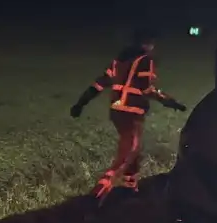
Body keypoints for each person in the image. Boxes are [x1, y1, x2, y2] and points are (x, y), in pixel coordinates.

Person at [69, 27, 188, 200]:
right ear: (147, 44)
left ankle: (129, 188)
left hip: (116, 112)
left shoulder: (119, 61)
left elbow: (99, 84)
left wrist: (81, 103)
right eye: (152, 43)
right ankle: (96, 196)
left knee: (133, 149)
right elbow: (146, 89)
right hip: (132, 113)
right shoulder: (145, 60)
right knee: (128, 153)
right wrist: (170, 101)